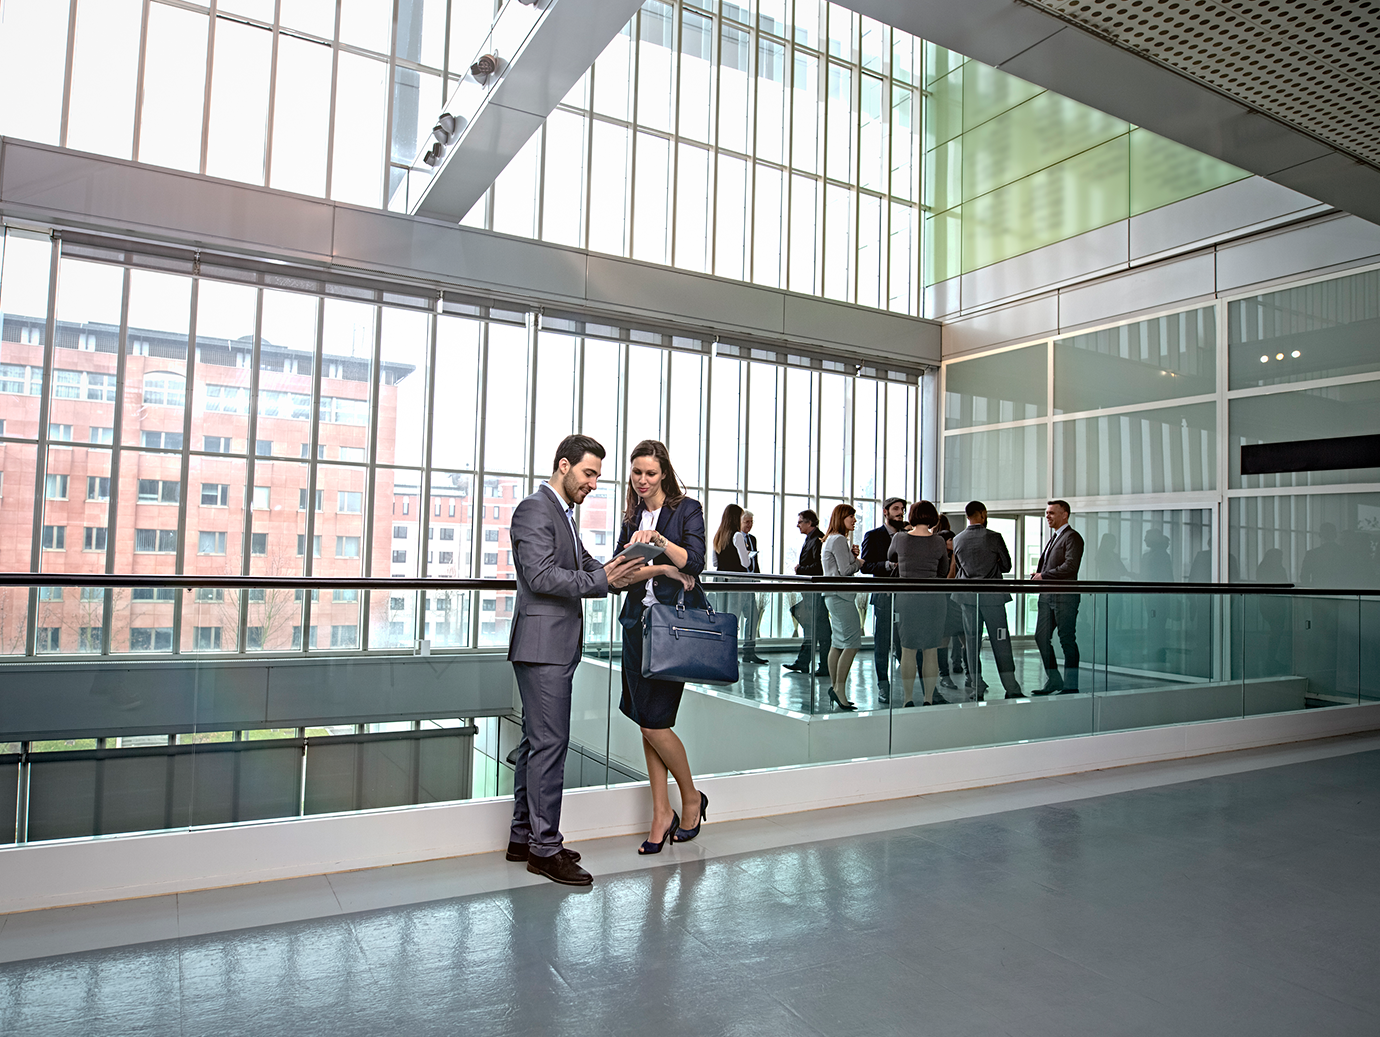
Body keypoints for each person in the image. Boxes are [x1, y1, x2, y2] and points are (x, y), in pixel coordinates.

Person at [507, 435, 645, 885]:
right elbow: (541, 575)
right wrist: (603, 579)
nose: (593, 484)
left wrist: (621, 571)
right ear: (563, 465)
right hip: (543, 646)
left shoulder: (563, 515)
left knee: (536, 741)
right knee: (551, 744)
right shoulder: (535, 509)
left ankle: (523, 836)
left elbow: (587, 566)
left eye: (598, 477)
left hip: (552, 644)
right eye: (588, 473)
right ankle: (545, 850)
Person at [614, 439, 711, 854]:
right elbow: (620, 570)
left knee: (656, 721)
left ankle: (690, 798)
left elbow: (695, 561)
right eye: (636, 472)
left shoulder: (686, 509)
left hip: (673, 630)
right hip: (637, 625)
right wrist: (661, 566)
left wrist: (662, 549)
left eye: (650, 473)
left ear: (665, 473)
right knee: (643, 721)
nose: (642, 480)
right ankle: (660, 813)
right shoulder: (630, 513)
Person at [952, 501, 1023, 699]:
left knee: (972, 643)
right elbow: (1007, 565)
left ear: (967, 516)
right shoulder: (994, 537)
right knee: (1001, 641)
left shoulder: (958, 539)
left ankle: (976, 685)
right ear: (983, 514)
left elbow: (959, 567)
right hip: (992, 598)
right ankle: (1011, 687)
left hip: (968, 599)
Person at [888, 501, 951, 707]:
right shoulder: (939, 542)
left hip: (908, 598)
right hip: (933, 599)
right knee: (931, 649)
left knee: (908, 649)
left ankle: (907, 699)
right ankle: (928, 698)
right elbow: (943, 571)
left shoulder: (899, 538)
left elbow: (890, 557)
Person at [1031, 499, 1085, 695]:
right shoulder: (1054, 537)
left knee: (1067, 640)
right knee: (1041, 637)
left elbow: (1071, 566)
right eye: (1047, 513)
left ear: (1065, 515)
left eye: (1052, 513)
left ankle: (1071, 685)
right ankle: (1054, 680)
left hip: (1064, 597)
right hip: (1047, 596)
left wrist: (1044, 575)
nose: (1048, 516)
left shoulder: (1072, 537)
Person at [860, 496, 906, 704]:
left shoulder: (908, 535)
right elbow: (865, 566)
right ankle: (883, 685)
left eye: (903, 509)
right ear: (885, 512)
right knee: (883, 642)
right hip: (884, 597)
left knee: (906, 641)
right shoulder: (873, 536)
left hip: (906, 598)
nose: (900, 512)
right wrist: (886, 565)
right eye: (896, 509)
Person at [712, 503, 767, 665]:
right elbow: (744, 563)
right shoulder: (737, 536)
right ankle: (734, 654)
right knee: (739, 617)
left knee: (727, 617)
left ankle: (723, 652)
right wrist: (749, 555)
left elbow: (715, 561)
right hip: (738, 582)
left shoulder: (718, 536)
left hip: (722, 581)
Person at [820, 504, 863, 710]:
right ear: (841, 518)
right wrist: (859, 562)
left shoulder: (833, 539)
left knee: (838, 642)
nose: (854, 520)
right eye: (851, 517)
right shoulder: (838, 539)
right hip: (841, 597)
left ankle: (836, 687)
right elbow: (846, 570)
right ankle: (839, 689)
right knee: (852, 643)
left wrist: (852, 556)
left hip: (834, 596)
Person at [785, 510, 831, 676]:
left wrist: (800, 569)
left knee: (820, 628)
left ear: (809, 522)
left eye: (800, 521)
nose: (798, 525)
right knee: (813, 627)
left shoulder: (818, 540)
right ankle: (804, 662)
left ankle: (823, 665)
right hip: (810, 591)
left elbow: (819, 568)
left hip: (816, 591)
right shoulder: (811, 539)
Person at [935, 513, 966, 690]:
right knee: (943, 639)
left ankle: (971, 674)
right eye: (950, 540)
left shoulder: (957, 555)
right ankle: (944, 675)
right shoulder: (942, 559)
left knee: (965, 637)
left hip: (957, 601)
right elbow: (949, 577)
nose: (954, 542)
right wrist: (953, 558)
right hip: (944, 601)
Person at [741, 510, 766, 658]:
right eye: (747, 522)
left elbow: (754, 558)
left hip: (750, 582)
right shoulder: (735, 537)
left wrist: (757, 576)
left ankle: (749, 650)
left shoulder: (752, 539)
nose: (750, 525)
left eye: (751, 522)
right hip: (739, 582)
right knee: (736, 616)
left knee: (753, 616)